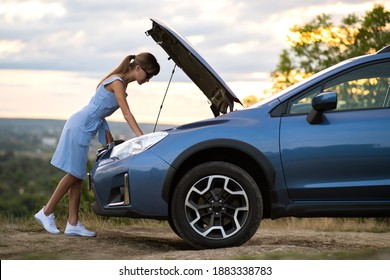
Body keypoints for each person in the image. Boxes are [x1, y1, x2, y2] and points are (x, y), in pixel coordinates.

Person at [34, 52, 160, 236]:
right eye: (148, 75)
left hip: (86, 126)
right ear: (138, 68)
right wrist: (142, 137)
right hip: (80, 126)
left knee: (76, 176)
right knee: (74, 174)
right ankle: (46, 212)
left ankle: (73, 223)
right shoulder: (117, 82)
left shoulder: (118, 82)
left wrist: (106, 131)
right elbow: (126, 114)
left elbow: (100, 111)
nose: (148, 80)